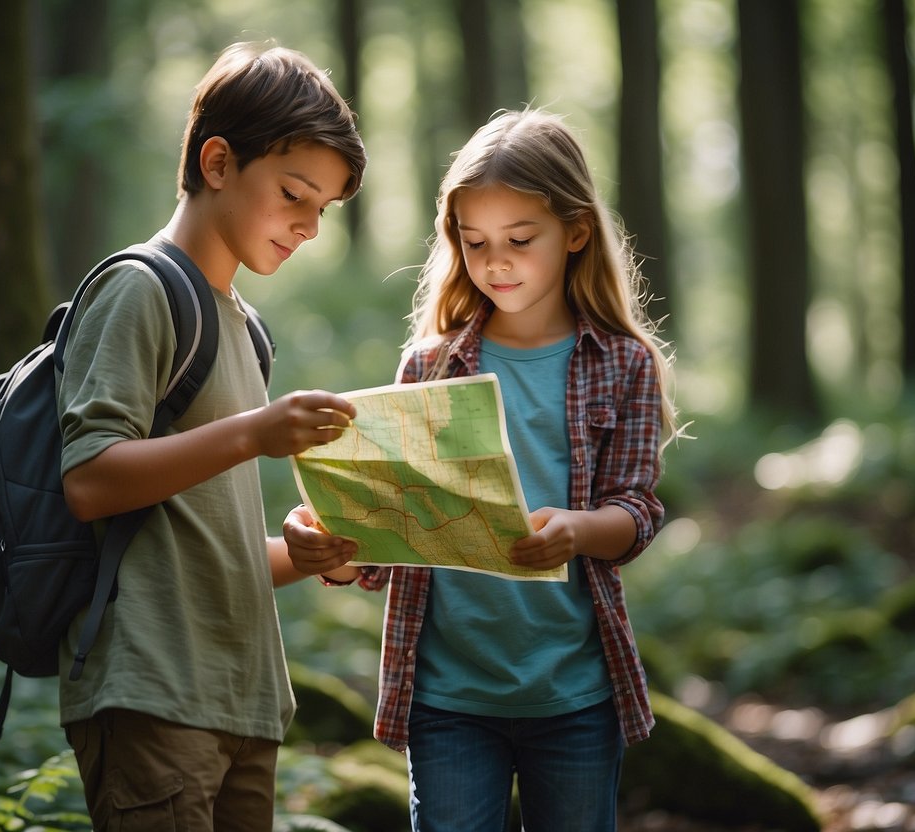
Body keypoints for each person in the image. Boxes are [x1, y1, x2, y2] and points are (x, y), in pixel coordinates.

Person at [284, 108, 680, 831]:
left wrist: (579, 530)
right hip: (447, 697)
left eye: (519, 241)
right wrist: (331, 552)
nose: (495, 261)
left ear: (576, 233)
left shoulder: (621, 364)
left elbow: (638, 512)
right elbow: (390, 535)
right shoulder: (429, 365)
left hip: (574, 694)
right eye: (474, 243)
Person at [55, 41, 366, 831]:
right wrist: (255, 433)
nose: (308, 226)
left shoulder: (244, 329)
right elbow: (89, 480)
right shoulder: (140, 289)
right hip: (153, 695)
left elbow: (201, 545)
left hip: (241, 702)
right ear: (218, 161)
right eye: (295, 194)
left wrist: (302, 553)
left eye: (322, 210)